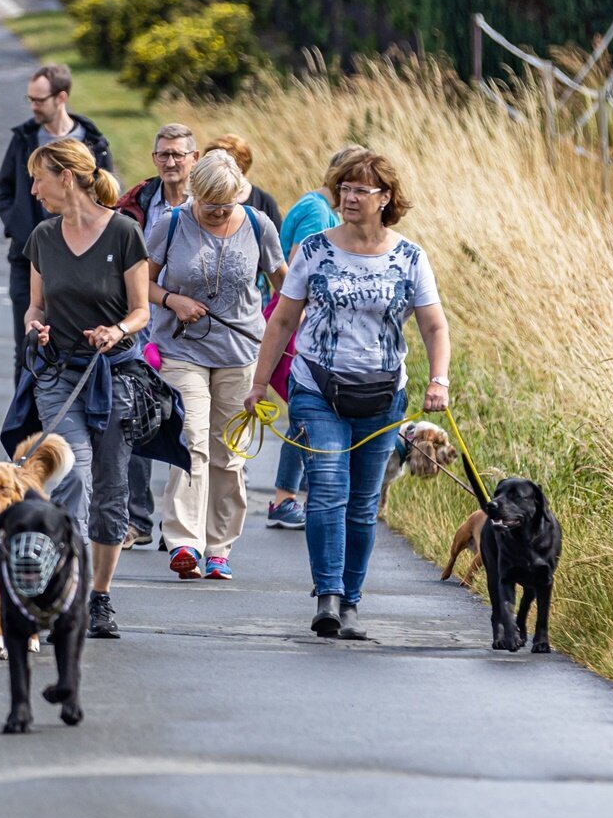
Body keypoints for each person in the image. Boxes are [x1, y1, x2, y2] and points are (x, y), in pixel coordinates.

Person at [246, 150, 451, 641]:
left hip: (383, 397)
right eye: (344, 188)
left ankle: (353, 602)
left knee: (362, 504)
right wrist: (258, 383)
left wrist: (438, 379)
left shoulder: (409, 256)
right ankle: (329, 597)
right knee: (329, 491)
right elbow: (282, 319)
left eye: (361, 190)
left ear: (386, 198)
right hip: (318, 387)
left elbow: (434, 325)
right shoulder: (315, 249)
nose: (349, 197)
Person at [20, 138, 150, 639]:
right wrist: (37, 327)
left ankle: (100, 598)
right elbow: (35, 307)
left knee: (112, 491)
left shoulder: (123, 233)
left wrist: (117, 330)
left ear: (67, 177)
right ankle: (65, 589)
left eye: (40, 178)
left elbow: (141, 311)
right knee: (71, 474)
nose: (34, 190)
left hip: (115, 374)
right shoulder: (43, 238)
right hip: (60, 375)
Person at [148, 149, 286, 581]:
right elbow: (139, 284)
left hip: (241, 352)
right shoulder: (170, 224)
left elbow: (285, 283)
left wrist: (290, 325)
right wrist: (173, 300)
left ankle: (219, 547)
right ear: (195, 193)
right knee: (192, 442)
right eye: (210, 205)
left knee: (228, 455)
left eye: (226, 205)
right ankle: (185, 542)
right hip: (181, 349)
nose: (219, 212)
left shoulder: (259, 225)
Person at [266, 144, 366, 530]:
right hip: (298, 321)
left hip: (303, 322)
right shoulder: (316, 210)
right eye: (354, 185)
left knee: (308, 410)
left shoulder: (319, 207)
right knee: (305, 410)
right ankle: (285, 498)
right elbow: (296, 266)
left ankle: (304, 495)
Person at [0, 62, 113, 382]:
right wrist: (18, 227)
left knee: (72, 340)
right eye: (30, 99)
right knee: (29, 343)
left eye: (39, 100)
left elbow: (107, 195)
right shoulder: (24, 138)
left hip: (80, 259)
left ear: (61, 97)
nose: (33, 106)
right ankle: (27, 423)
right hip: (27, 257)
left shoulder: (93, 142)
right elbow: (5, 188)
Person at [114, 123, 199, 550]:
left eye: (178, 154)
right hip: (142, 327)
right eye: (163, 154)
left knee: (189, 427)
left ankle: (181, 526)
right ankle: (137, 519)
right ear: (154, 159)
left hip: (195, 335)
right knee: (137, 421)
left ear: (194, 159)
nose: (170, 162)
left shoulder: (212, 202)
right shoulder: (134, 204)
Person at [202, 133, 282, 228]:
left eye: (222, 164)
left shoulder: (264, 202)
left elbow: (278, 241)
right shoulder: (200, 200)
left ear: (241, 166)